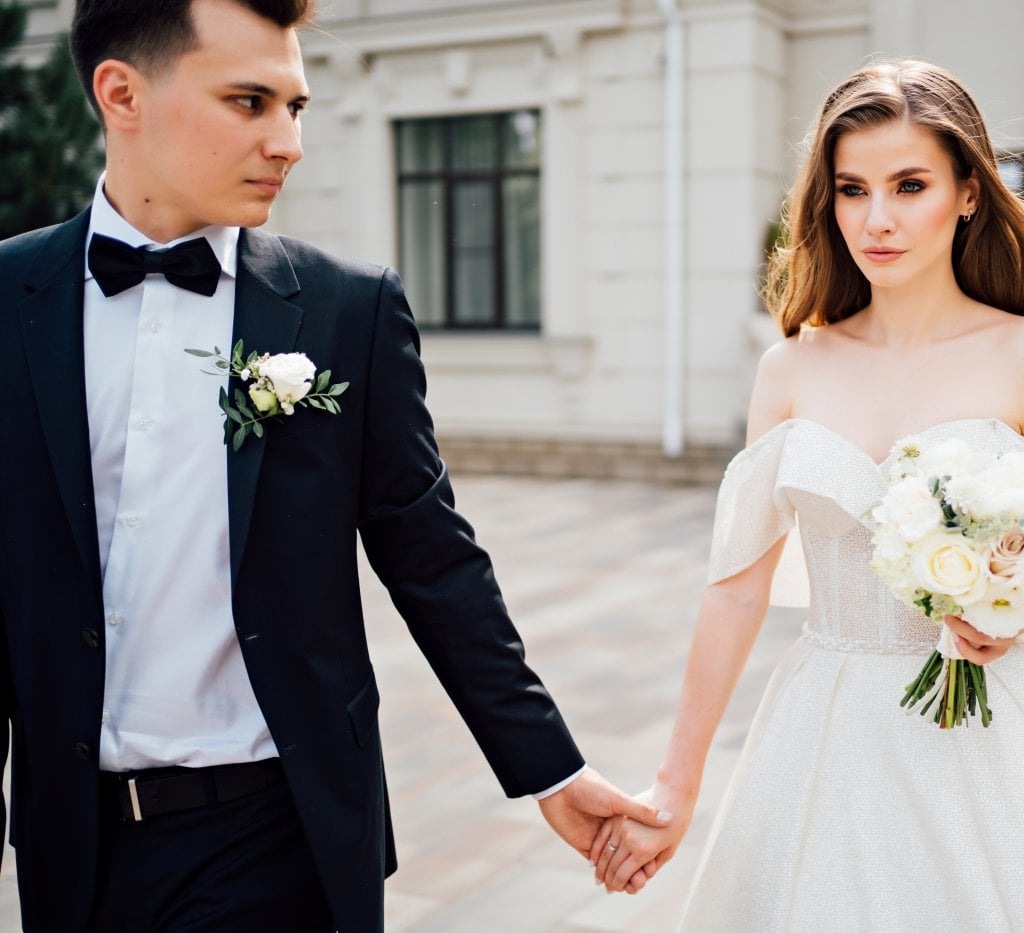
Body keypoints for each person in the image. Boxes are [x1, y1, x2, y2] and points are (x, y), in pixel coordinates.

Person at [0, 1, 670, 930]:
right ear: (122, 94)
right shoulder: (11, 300)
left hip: (280, 839)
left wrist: (551, 768)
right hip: (71, 850)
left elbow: (434, 560)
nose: (288, 142)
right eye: (249, 102)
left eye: (296, 107)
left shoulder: (347, 310)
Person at [590, 60, 1024, 930]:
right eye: (852, 189)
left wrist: (1009, 615)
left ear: (969, 192)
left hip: (980, 729)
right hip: (823, 722)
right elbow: (737, 588)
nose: (877, 219)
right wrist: (676, 784)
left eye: (909, 185)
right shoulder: (789, 369)